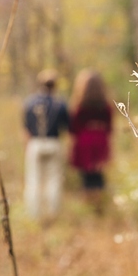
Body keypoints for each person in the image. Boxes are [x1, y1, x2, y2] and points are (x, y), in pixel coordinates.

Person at [22, 69, 69, 220]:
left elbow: (26, 129)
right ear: (55, 85)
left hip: (35, 143)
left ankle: (33, 214)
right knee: (54, 180)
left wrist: (27, 147)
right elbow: (68, 128)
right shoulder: (60, 104)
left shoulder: (29, 103)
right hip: (53, 143)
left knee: (33, 180)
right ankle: (53, 213)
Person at [68, 69, 113, 213]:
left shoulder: (79, 105)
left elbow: (74, 128)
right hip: (101, 142)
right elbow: (109, 128)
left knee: (87, 177)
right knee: (99, 176)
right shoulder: (106, 106)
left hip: (84, 143)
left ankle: (89, 206)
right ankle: (99, 207)